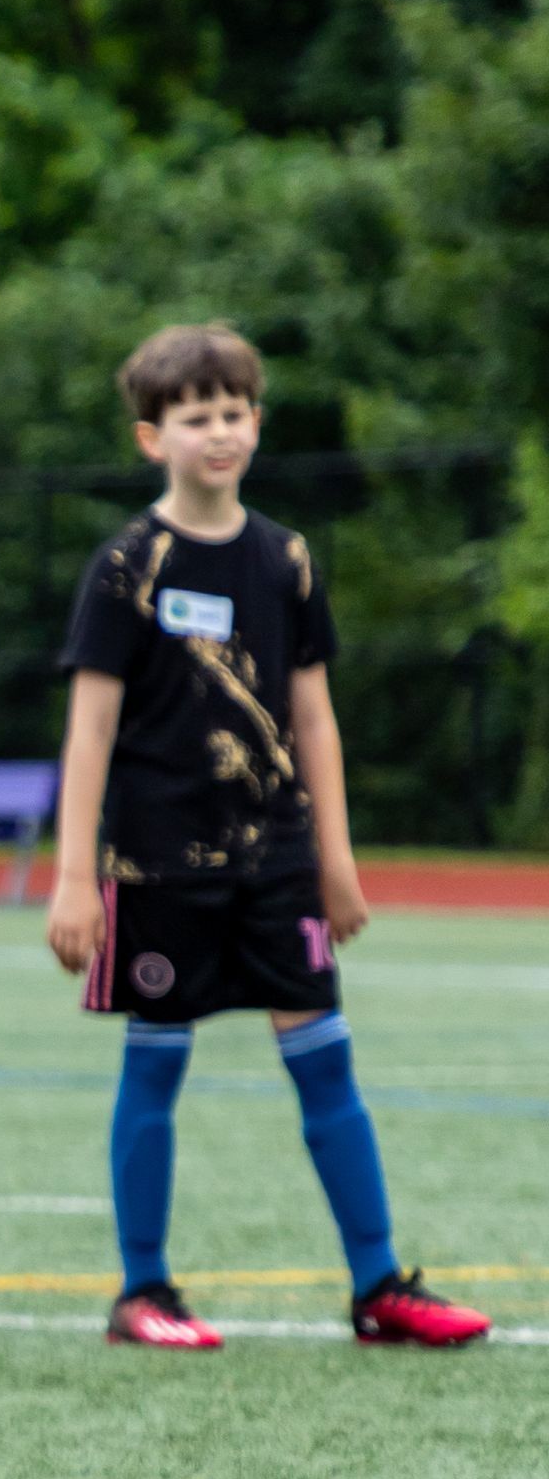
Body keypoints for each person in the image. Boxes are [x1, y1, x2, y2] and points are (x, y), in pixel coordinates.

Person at [47, 319, 490, 1352]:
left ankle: (380, 1286)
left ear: (257, 422)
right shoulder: (129, 566)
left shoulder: (285, 558)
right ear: (151, 436)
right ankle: (143, 1292)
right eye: (196, 416)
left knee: (326, 1064)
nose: (221, 432)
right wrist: (76, 880)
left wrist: (336, 859)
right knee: (155, 1067)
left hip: (278, 863)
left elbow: (315, 717)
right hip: (155, 863)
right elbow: (91, 730)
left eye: (236, 412)